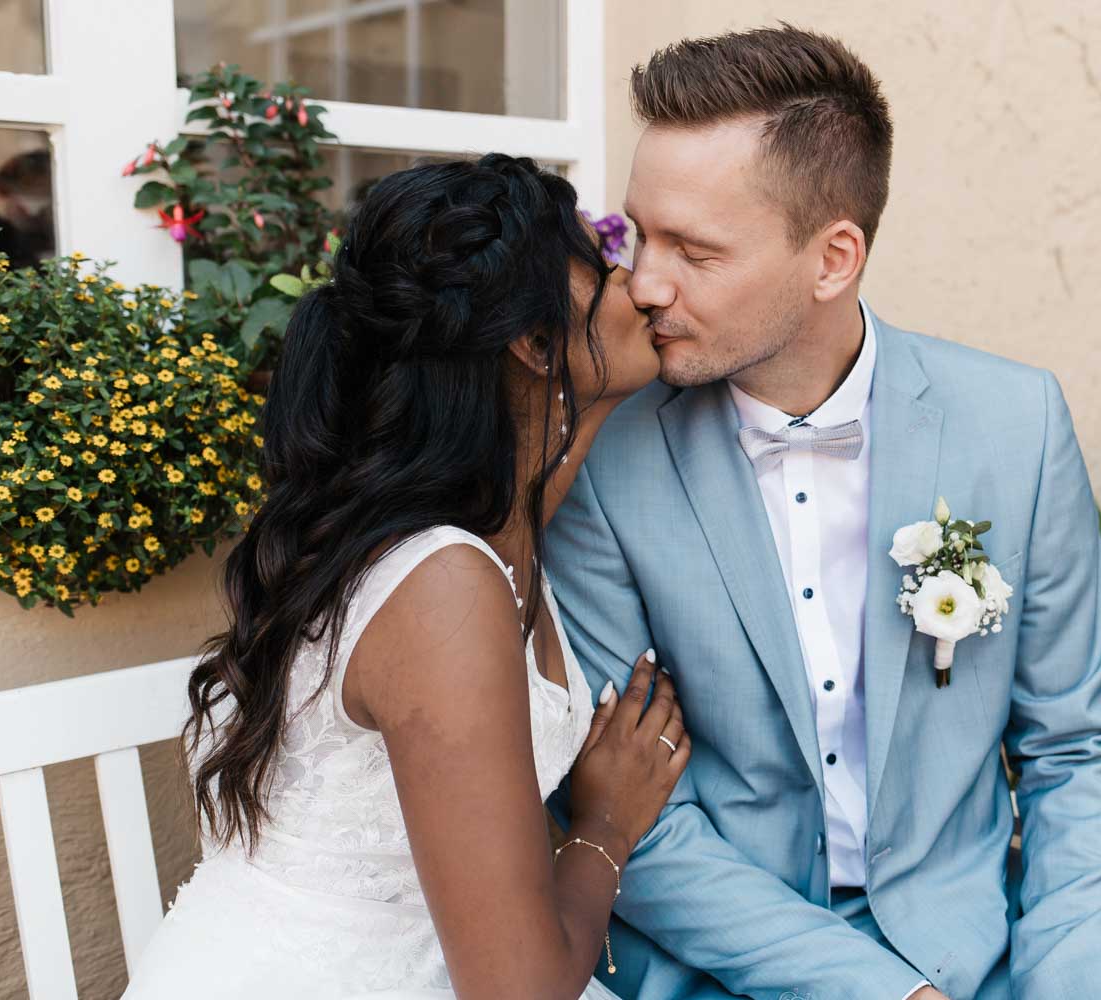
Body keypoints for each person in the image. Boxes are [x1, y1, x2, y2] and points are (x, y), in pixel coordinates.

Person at [544, 25, 1101, 1000]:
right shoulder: (603, 456)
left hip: (995, 938)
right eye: (642, 234)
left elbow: (1078, 746)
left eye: (696, 250)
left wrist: (1068, 981)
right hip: (736, 960)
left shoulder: (1016, 422)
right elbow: (641, 823)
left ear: (833, 257)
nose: (648, 284)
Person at [124, 154, 688, 999]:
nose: (640, 287)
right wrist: (605, 826)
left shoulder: (497, 536)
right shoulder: (443, 586)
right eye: (607, 268)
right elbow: (517, 988)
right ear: (535, 344)